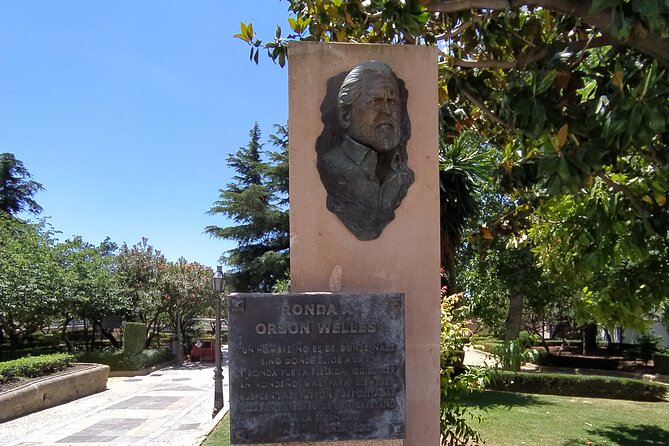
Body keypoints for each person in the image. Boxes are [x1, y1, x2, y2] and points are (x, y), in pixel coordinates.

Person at [317, 60, 414, 240]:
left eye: (392, 102)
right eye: (375, 101)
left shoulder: (404, 175)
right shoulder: (332, 166)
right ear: (346, 115)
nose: (387, 111)